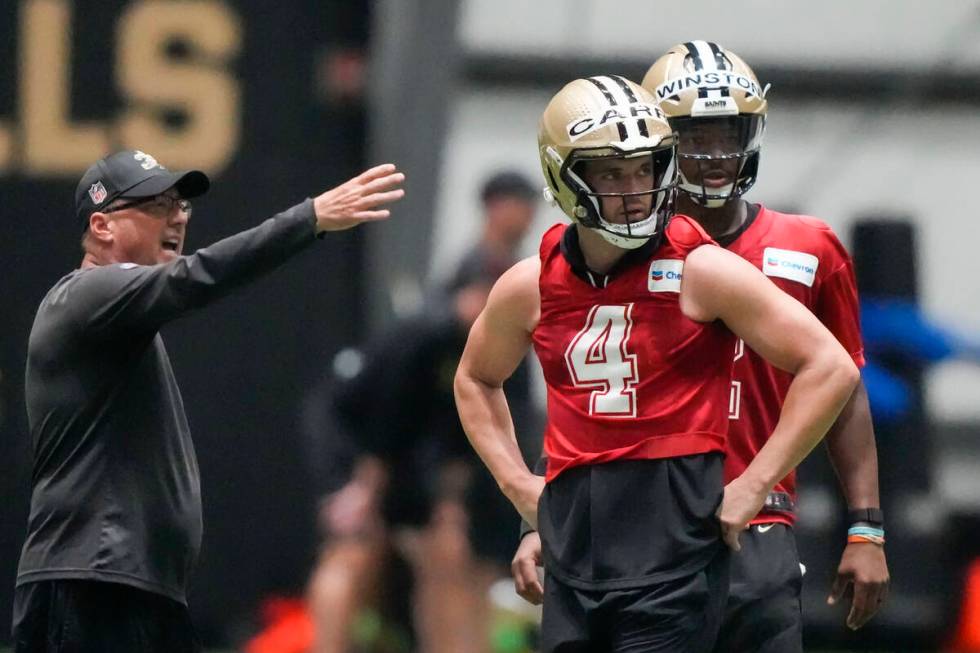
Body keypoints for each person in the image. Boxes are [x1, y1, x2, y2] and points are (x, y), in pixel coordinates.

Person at [454, 76, 859, 653]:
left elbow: (831, 367)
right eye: (612, 173)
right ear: (565, 175)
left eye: (645, 168)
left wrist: (755, 482)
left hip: (673, 542)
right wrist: (519, 486)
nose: (635, 189)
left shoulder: (701, 269)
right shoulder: (531, 284)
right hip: (576, 543)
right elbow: (474, 378)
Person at [12, 149, 405, 653]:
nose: (177, 215)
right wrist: (309, 219)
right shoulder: (84, 296)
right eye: (155, 204)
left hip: (132, 586)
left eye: (181, 205)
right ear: (102, 225)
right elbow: (197, 276)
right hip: (93, 583)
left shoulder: (120, 318)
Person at [443, 170, 539, 296]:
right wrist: (457, 309)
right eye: (522, 205)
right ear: (495, 207)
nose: (530, 215)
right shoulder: (469, 266)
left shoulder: (521, 267)